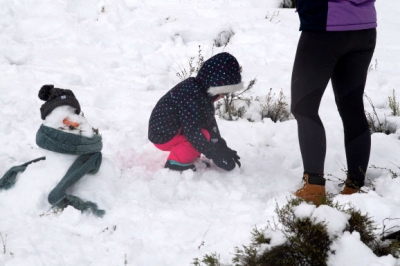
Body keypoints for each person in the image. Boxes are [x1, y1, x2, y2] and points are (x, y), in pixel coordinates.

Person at [291, 0, 377, 204]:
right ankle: (355, 185)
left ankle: (313, 186)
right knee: (353, 106)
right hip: (364, 27)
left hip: (325, 27)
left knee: (304, 107)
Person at [148, 52, 242, 172]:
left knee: (204, 133)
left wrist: (221, 147)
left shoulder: (200, 92)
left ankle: (189, 157)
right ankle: (175, 162)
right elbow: (192, 132)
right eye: (224, 92)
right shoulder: (191, 96)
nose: (223, 96)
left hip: (174, 129)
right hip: (163, 135)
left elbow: (209, 124)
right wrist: (213, 154)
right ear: (215, 85)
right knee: (201, 135)